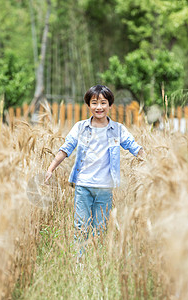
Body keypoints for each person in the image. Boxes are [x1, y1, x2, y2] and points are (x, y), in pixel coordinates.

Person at [45, 84, 144, 253]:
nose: (99, 107)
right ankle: (79, 262)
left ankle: (96, 263)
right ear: (88, 105)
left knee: (100, 228)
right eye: (94, 103)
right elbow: (65, 149)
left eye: (104, 103)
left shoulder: (117, 129)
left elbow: (135, 148)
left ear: (110, 105)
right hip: (83, 185)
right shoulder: (80, 127)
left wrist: (154, 163)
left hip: (105, 187)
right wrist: (50, 169)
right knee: (81, 226)